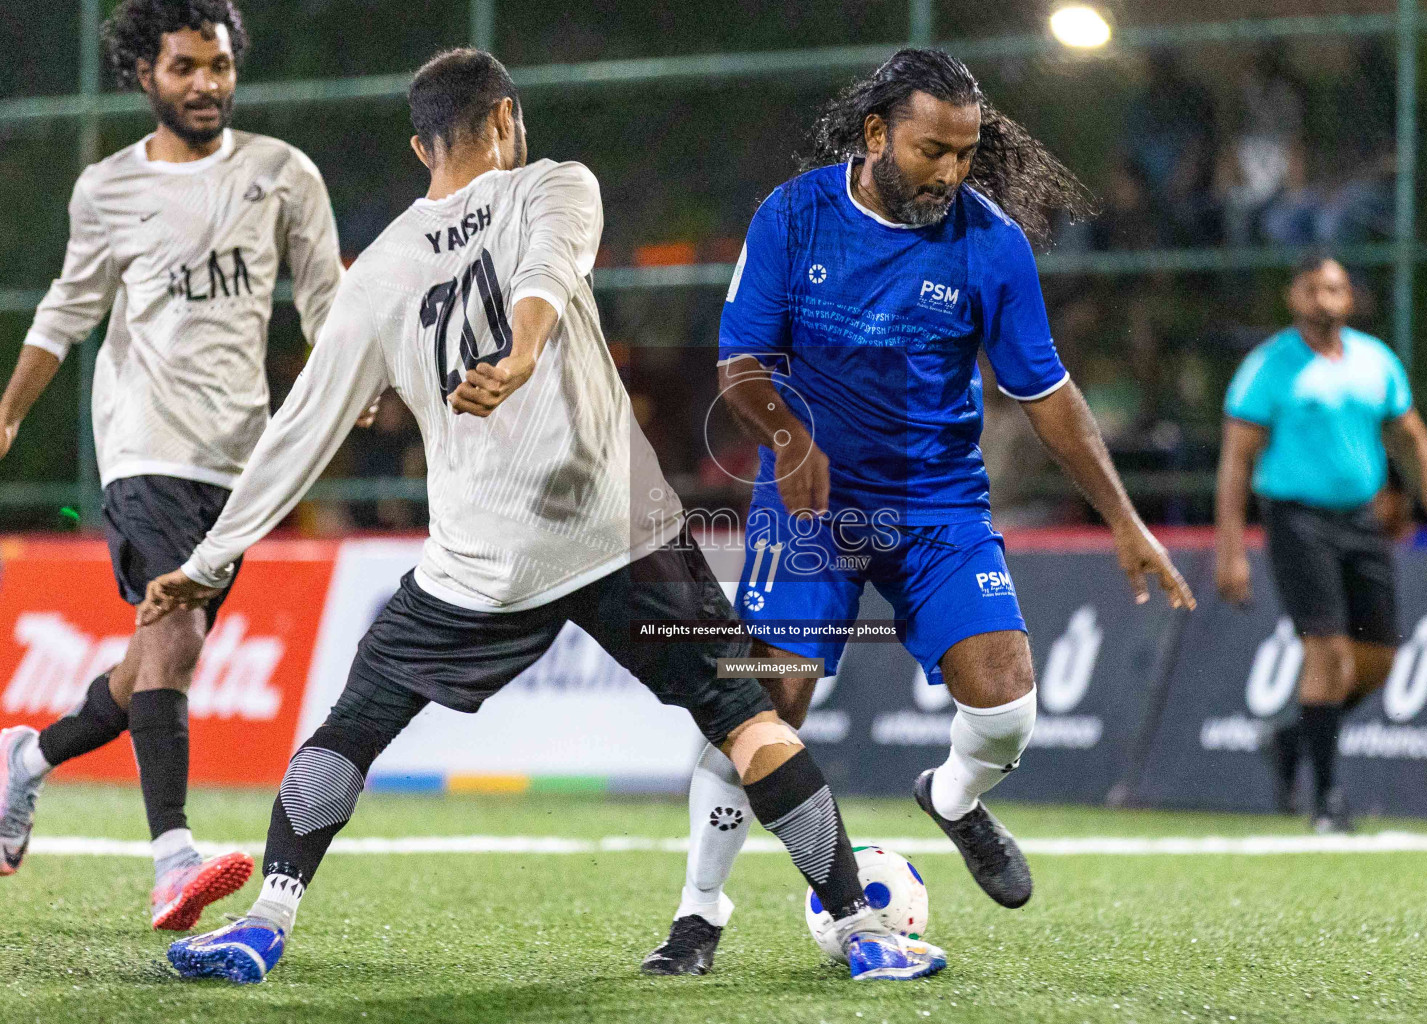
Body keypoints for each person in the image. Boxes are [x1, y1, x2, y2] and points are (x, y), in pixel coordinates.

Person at [142, 48, 945, 985]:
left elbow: (299, 434)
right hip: (622, 530)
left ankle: (267, 919)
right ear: (506, 122)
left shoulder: (377, 274)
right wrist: (523, 353)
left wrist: (211, 556)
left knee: (349, 730)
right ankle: (863, 932)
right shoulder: (557, 183)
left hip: (482, 564)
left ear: (420, 146)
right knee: (747, 717)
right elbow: (549, 275)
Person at [643, 49, 1195, 976]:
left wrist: (1126, 523)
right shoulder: (794, 216)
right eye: (933, 151)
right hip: (810, 506)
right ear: (875, 135)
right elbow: (741, 364)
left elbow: (1049, 394)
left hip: (938, 503)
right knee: (760, 707)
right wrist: (790, 438)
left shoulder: (991, 243)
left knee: (1010, 705)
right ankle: (699, 915)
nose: (951, 173)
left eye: (966, 154)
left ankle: (952, 796)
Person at [0, 0, 350, 931]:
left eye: (220, 66)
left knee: (151, 662)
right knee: (181, 634)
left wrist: (353, 396)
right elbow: (65, 313)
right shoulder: (107, 188)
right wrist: (7, 414)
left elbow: (330, 309)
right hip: (143, 442)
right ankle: (172, 859)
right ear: (143, 74)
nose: (207, 84)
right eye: (187, 68)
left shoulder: (282, 174)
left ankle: (24, 760)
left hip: (243, 460)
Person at [1214, 255, 1427, 831]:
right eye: (1314, 288)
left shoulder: (1377, 362)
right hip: (1296, 519)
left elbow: (1413, 443)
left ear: (1349, 298)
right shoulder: (1268, 366)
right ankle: (1326, 800)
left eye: (1336, 288)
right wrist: (1231, 549)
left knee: (1378, 662)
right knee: (1327, 653)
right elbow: (1235, 461)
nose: (1326, 298)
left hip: (1362, 521)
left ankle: (1293, 739)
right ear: (1294, 297)